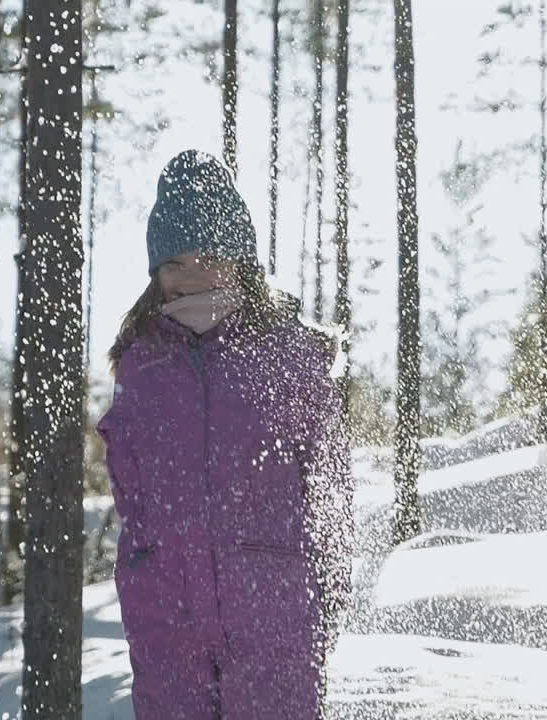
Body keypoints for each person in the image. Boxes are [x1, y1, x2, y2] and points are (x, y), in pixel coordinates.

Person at [96, 149, 354, 719]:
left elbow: (329, 482)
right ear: (154, 272)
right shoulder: (141, 362)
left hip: (273, 607)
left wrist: (325, 591)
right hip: (167, 612)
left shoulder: (288, 355)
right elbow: (132, 494)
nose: (190, 275)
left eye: (207, 255)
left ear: (241, 261)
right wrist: (144, 574)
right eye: (175, 262)